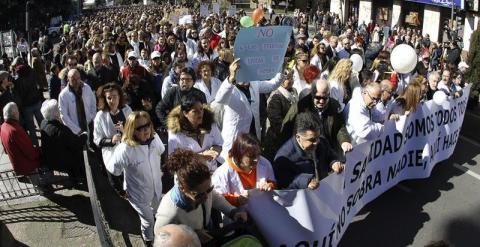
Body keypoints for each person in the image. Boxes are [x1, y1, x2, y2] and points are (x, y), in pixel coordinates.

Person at [154, 149, 248, 245]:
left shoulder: (203, 188)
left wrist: (232, 212)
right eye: (199, 195)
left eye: (209, 190)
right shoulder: (169, 212)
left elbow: (214, 197)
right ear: (182, 189)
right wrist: (191, 236)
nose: (206, 197)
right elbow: (161, 239)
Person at [107, 111, 165, 246]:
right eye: (140, 128)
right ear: (132, 130)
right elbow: (112, 171)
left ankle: (156, 234)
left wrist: (162, 169)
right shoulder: (125, 149)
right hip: (137, 194)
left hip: (156, 188)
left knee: (157, 213)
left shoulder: (155, 139)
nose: (145, 130)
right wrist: (120, 191)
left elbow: (162, 152)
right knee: (148, 220)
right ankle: (149, 240)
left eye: (147, 126)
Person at [213, 58, 283, 158]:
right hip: (236, 139)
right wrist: (230, 78)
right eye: (240, 72)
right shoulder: (230, 88)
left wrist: (281, 70)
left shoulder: (254, 84)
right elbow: (220, 98)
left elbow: (271, 85)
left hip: (253, 137)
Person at [274, 113, 345, 189]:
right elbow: (282, 182)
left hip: (324, 192)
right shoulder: (284, 157)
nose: (317, 142)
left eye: (318, 137)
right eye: (312, 140)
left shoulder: (321, 141)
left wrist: (334, 162)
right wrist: (305, 181)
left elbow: (330, 155)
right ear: (298, 137)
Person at [282, 79, 352, 155]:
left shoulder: (334, 105)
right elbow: (285, 131)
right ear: (312, 94)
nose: (321, 101)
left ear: (329, 94)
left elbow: (339, 127)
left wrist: (344, 141)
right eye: (318, 98)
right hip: (306, 152)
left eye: (325, 98)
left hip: (328, 152)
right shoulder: (299, 108)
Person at [213, 133, 276, 207]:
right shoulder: (222, 173)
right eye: (251, 156)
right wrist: (237, 200)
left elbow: (272, 182)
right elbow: (218, 198)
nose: (256, 159)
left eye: (258, 154)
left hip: (262, 210)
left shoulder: (264, 163)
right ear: (239, 154)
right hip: (237, 215)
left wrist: (269, 185)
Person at [167, 95, 223, 172]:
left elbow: (219, 144)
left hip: (212, 172)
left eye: (201, 109)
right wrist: (200, 157)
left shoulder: (211, 125)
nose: (200, 113)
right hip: (188, 177)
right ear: (185, 113)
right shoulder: (175, 134)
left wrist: (215, 151)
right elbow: (173, 161)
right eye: (195, 111)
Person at [40, 99, 86, 186]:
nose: (60, 110)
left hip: (51, 159)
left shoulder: (43, 123)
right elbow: (76, 143)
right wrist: (85, 135)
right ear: (56, 113)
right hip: (63, 162)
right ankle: (80, 179)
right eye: (58, 109)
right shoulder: (61, 130)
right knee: (80, 155)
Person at [263, 69, 297, 159]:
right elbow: (276, 123)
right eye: (287, 78)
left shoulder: (294, 92)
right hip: (277, 141)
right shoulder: (276, 97)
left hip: (291, 137)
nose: (291, 81)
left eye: (292, 78)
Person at [12, 58, 44, 146]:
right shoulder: (32, 71)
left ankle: (36, 147)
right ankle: (48, 142)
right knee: (42, 123)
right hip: (36, 101)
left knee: (31, 128)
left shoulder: (16, 79)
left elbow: (17, 94)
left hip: (27, 106)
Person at [59, 69, 97, 135]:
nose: (77, 81)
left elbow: (93, 103)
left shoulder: (87, 88)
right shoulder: (63, 95)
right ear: (68, 79)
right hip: (74, 131)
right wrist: (77, 130)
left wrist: (91, 117)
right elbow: (64, 116)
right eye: (73, 79)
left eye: (78, 78)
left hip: (89, 125)